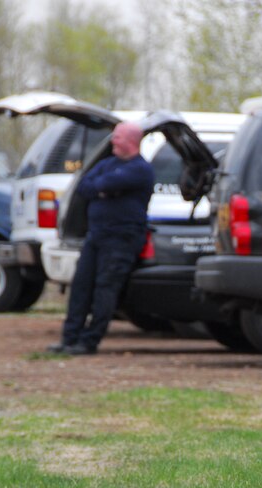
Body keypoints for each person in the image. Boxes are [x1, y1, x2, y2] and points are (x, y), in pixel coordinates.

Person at [47, 121, 154, 355]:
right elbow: (85, 186)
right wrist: (104, 189)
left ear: (131, 141)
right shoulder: (107, 164)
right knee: (80, 286)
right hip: (95, 236)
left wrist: (103, 188)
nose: (112, 141)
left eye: (117, 137)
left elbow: (106, 183)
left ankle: (89, 341)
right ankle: (69, 339)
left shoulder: (140, 169)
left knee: (105, 288)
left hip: (121, 238)